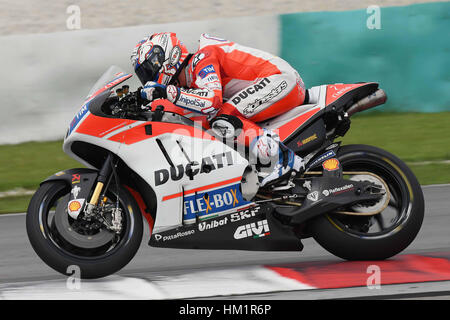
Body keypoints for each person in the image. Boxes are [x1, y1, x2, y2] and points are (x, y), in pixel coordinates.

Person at [130, 32, 307, 188]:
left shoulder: (202, 58)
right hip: (279, 83)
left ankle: (282, 159)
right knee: (216, 121)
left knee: (222, 118)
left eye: (148, 69)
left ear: (166, 57)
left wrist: (167, 91)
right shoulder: (191, 79)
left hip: (280, 79)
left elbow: (211, 102)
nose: (148, 78)